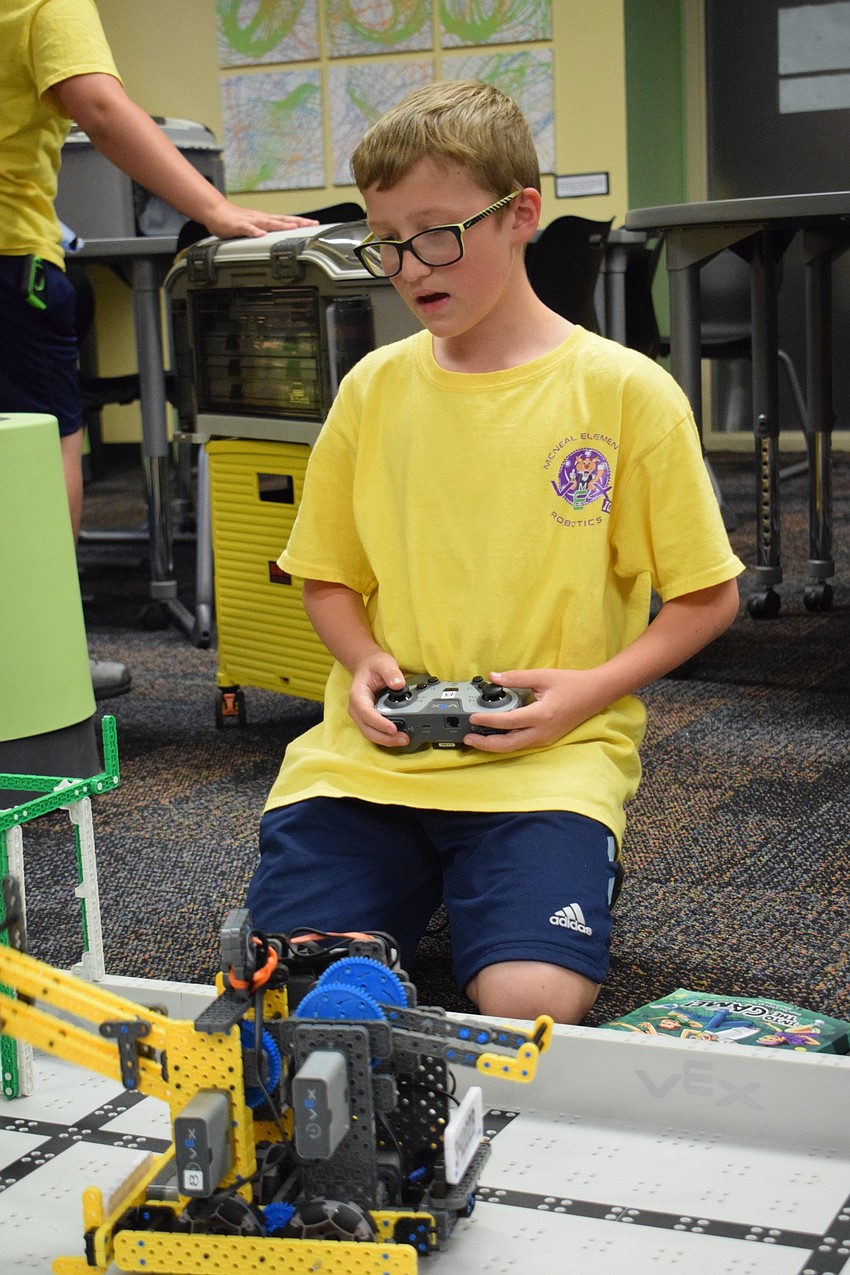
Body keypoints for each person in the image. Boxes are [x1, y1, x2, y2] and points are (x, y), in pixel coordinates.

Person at [245, 79, 744, 1025]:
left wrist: (587, 693)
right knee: (290, 986)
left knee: (529, 1004)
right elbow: (326, 577)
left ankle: (548, 874)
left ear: (521, 213)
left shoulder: (625, 392)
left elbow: (706, 597)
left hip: (546, 756)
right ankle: (418, 894)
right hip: (373, 760)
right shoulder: (371, 390)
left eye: (436, 233)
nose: (408, 265)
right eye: (384, 241)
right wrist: (360, 664)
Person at [0, 0, 316, 698]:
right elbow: (100, 109)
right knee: (39, 455)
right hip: (10, 259)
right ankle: (41, 657)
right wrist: (216, 211)